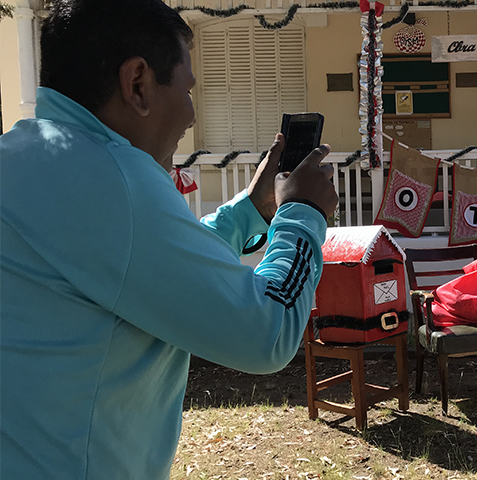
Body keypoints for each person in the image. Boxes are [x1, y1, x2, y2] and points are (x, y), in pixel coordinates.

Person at [0, 1, 338, 479]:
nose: (190, 115)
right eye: (187, 90)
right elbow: (268, 331)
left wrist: (250, 211)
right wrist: (302, 214)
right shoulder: (113, 177)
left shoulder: (23, 158)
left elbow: (149, 267)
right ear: (137, 83)